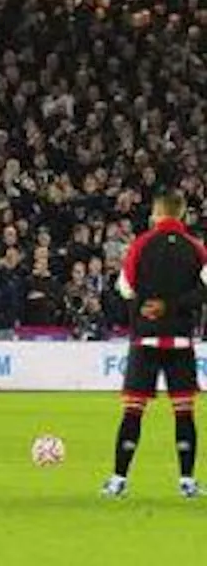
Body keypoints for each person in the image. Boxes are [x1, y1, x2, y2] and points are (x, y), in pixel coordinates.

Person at [102, 191, 207, 499]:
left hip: (145, 339)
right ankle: (187, 481)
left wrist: (149, 306)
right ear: (183, 214)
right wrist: (173, 305)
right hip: (179, 340)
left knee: (133, 411)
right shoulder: (196, 248)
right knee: (184, 411)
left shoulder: (141, 244)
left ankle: (118, 480)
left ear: (157, 213)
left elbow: (124, 288)